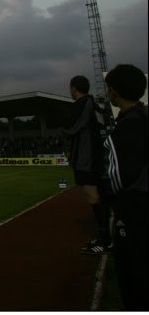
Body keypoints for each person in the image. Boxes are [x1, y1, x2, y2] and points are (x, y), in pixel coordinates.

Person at [100, 64, 147, 310]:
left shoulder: (126, 127)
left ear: (114, 91)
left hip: (135, 212)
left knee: (133, 279)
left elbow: (116, 179)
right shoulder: (144, 116)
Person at [62, 75, 111, 254]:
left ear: (74, 88)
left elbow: (71, 128)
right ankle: (106, 237)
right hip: (97, 156)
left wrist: (64, 129)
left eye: (70, 87)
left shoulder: (83, 104)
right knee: (99, 195)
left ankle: (105, 240)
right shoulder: (96, 104)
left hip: (87, 157)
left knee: (93, 195)